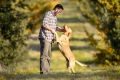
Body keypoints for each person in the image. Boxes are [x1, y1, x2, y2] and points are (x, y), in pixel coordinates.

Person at [39, 4, 65, 74]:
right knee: (44, 55)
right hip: (45, 37)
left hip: (50, 38)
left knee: (49, 55)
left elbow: (55, 27)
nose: (59, 13)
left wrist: (62, 29)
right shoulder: (48, 14)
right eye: (60, 11)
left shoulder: (55, 17)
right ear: (56, 9)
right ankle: (43, 72)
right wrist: (51, 30)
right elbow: (44, 24)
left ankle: (47, 71)